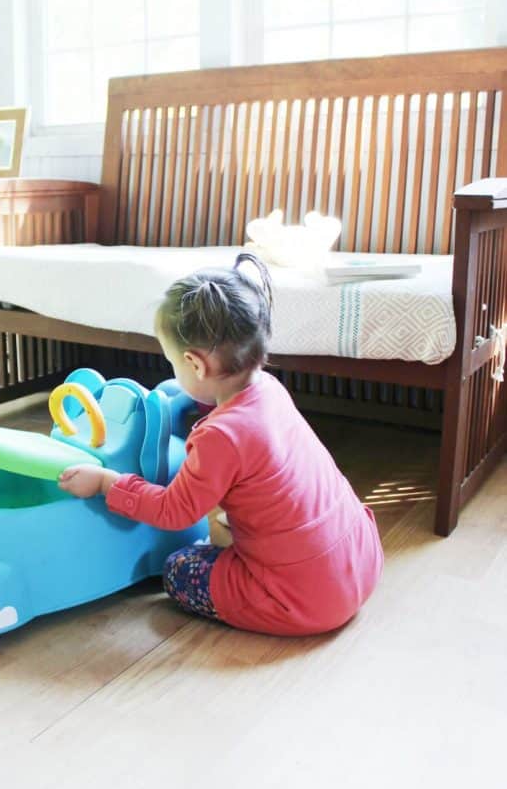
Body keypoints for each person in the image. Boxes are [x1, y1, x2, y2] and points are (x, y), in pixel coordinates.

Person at [59, 253, 384, 636]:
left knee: (179, 569)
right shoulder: (269, 389)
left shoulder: (218, 437)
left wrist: (105, 482)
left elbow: (173, 510)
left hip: (302, 599)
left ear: (195, 365)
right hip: (358, 564)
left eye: (173, 364)